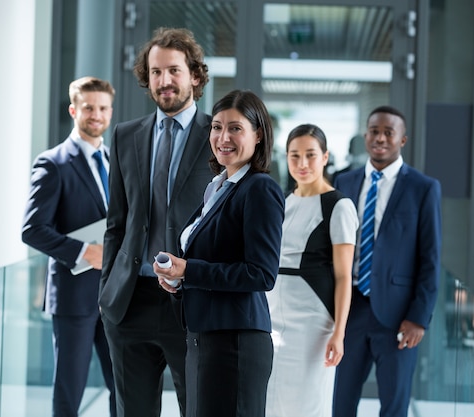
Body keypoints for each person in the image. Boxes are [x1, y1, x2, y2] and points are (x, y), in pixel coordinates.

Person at [98, 27, 212, 417]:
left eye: (174, 71)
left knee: (197, 408)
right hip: (131, 301)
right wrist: (107, 291)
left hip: (191, 301)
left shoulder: (219, 136)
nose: (164, 81)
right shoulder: (125, 135)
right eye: (156, 72)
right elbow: (117, 222)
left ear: (195, 75)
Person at [154, 89, 285, 417]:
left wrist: (189, 271)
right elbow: (210, 260)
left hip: (235, 345)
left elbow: (261, 273)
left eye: (235, 128)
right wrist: (178, 280)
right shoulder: (216, 188)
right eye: (216, 127)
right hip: (204, 338)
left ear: (258, 135)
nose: (223, 137)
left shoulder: (259, 188)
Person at [332, 105, 442, 417]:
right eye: (374, 131)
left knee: (394, 406)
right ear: (365, 136)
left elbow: (430, 258)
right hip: (348, 311)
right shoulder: (344, 182)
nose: (380, 138)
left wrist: (418, 318)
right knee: (339, 402)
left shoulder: (423, 188)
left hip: (398, 317)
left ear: (402, 140)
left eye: (388, 133)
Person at [21, 76, 116, 417]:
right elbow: (32, 230)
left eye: (103, 108)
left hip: (115, 297)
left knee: (122, 388)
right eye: (89, 107)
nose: (96, 114)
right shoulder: (53, 163)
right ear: (73, 109)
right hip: (74, 298)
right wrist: (83, 252)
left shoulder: (114, 162)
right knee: (69, 392)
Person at [265, 124, 358, 417]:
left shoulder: (339, 206)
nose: (302, 164)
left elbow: (344, 277)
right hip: (272, 317)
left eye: (310, 155)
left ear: (325, 157)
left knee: (307, 403)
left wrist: (339, 333)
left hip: (313, 323)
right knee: (270, 401)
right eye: (294, 156)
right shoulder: (282, 201)